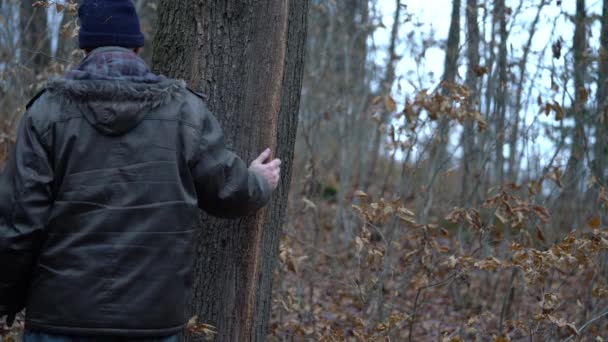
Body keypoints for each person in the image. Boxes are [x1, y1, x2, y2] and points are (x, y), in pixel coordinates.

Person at [0, 0, 281, 341]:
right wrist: (258, 181)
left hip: (60, 321)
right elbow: (227, 190)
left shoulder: (46, 114)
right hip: (153, 324)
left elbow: (17, 226)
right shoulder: (184, 112)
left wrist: (6, 301)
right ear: (137, 45)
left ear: (84, 48)